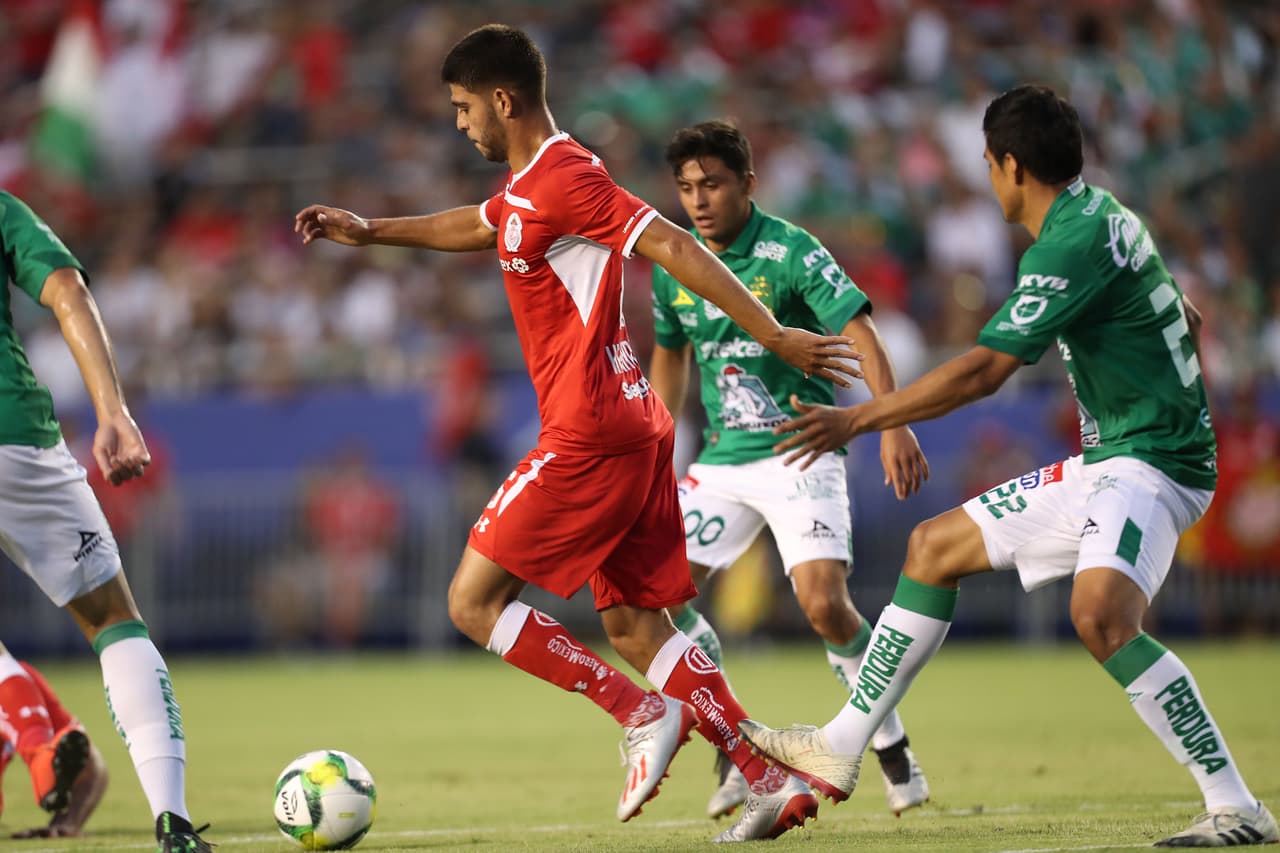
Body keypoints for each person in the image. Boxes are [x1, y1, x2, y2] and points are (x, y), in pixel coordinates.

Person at [295, 24, 862, 843]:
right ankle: (766, 776)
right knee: (635, 624)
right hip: (629, 426)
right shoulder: (529, 186)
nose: (460, 125)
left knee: (471, 600)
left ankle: (638, 714)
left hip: (588, 430)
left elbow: (666, 242)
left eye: (463, 109)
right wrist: (373, 230)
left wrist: (773, 333)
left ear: (503, 99)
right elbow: (482, 224)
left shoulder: (566, 174)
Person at [737, 85, 1278, 847]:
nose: (990, 176)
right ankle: (841, 745)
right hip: (1117, 457)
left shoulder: (1067, 243)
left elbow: (983, 371)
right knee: (933, 548)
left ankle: (1237, 805)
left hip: (1154, 461)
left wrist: (857, 417)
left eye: (990, 163)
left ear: (1011, 166)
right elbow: (1184, 312)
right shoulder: (1105, 215)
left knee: (1100, 616)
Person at [647, 120, 931, 820]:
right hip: (722, 460)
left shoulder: (792, 250)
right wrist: (654, 448)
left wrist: (890, 419)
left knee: (822, 604)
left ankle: (889, 746)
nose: (698, 200)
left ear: (747, 182)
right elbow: (671, 353)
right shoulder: (673, 262)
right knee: (656, 600)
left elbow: (859, 331)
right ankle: (735, 750)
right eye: (686, 187)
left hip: (802, 448)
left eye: (711, 183)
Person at [0, 189, 211, 853]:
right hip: (17, 439)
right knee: (113, 621)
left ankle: (37, 738)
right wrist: (112, 410)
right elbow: (66, 290)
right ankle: (171, 819)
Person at [0, 644, 109, 838]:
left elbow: (89, 761)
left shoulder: (22, 684)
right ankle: (44, 768)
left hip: (11, 682)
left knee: (42, 748)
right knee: (39, 749)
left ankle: (45, 766)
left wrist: (67, 821)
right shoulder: (14, 682)